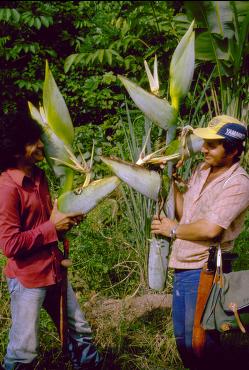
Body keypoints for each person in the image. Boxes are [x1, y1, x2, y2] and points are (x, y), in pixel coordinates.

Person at [0, 109, 102, 370]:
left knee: (80, 331)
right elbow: (9, 245)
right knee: (24, 350)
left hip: (54, 271)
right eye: (33, 141)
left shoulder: (39, 177)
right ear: (15, 150)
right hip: (28, 279)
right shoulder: (8, 188)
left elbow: (48, 222)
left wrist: (65, 217)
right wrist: (51, 227)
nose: (41, 145)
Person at [151, 115, 249, 370]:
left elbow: (210, 228)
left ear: (234, 150)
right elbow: (187, 215)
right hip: (183, 265)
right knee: (183, 341)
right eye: (205, 142)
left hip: (206, 269)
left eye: (212, 145)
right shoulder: (202, 170)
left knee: (201, 343)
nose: (204, 148)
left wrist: (172, 230)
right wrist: (167, 179)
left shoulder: (238, 184)